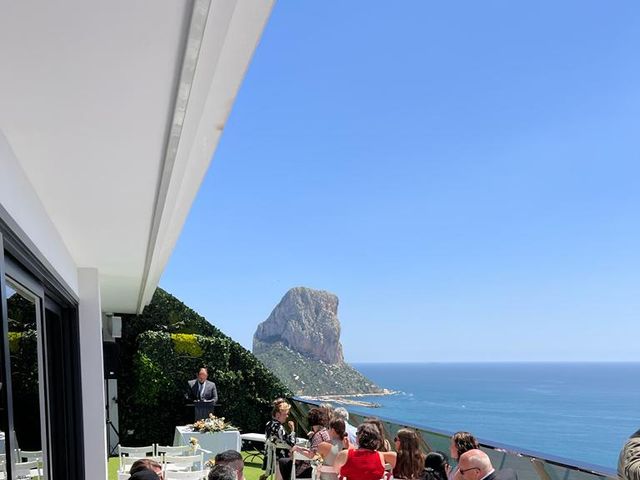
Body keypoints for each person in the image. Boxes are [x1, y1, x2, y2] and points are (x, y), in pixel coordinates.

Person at [279, 407, 331, 480]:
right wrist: (300, 448)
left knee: (283, 462)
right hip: (321, 466)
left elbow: (311, 455)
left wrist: (298, 450)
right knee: (286, 462)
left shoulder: (318, 436)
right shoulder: (324, 433)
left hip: (311, 469)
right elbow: (314, 451)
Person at [264, 399, 296, 479]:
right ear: (278, 414)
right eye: (285, 414)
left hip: (270, 457)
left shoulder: (268, 424)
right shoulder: (279, 427)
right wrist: (292, 430)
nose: (287, 416)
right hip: (282, 458)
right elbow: (291, 443)